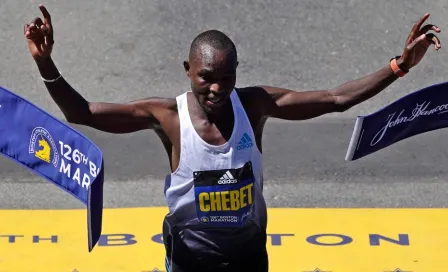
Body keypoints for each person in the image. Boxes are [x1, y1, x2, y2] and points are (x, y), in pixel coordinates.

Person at [24, 4, 441, 272]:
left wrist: (399, 66)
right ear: (188, 69)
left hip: (248, 258)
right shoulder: (167, 117)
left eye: (227, 78)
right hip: (190, 260)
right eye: (206, 77)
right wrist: (46, 63)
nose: (217, 89)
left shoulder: (253, 105)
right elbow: (82, 113)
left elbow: (334, 99)